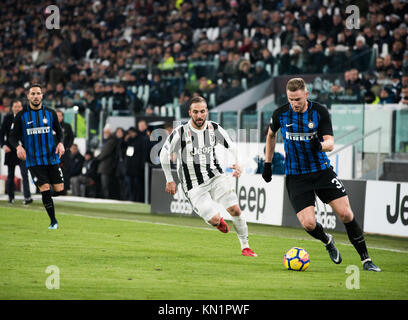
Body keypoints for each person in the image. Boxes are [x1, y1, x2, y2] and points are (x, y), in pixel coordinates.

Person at [262, 78, 381, 272]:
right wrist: (268, 163)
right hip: (296, 175)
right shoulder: (281, 114)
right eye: (291, 99)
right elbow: (271, 135)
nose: (294, 103)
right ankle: (327, 241)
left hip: (321, 172)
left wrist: (320, 145)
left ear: (306, 95)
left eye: (298, 99)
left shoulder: (319, 112)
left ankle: (366, 260)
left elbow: (330, 143)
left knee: (346, 213)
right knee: (309, 224)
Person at [160, 96, 257, 257]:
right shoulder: (180, 133)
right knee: (214, 219)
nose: (199, 116)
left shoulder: (214, 129)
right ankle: (218, 222)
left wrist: (238, 163)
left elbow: (232, 147)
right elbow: (164, 155)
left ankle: (245, 246)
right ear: (190, 112)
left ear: (207, 112)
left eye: (202, 112)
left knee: (235, 209)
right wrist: (169, 179)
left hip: (215, 176)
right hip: (193, 186)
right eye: (196, 112)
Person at [9, 83, 65, 230]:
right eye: (32, 94)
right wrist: (18, 146)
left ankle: (46, 194)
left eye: (38, 93)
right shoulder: (22, 116)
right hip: (34, 160)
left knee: (59, 190)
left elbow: (59, 132)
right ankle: (53, 221)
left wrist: (61, 143)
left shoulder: (51, 113)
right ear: (28, 96)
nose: (35, 96)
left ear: (42, 95)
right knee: (45, 188)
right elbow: (12, 137)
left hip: (51, 157)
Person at [0, 99, 33, 204]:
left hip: (23, 150)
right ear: (12, 108)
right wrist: (3, 145)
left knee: (25, 174)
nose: (17, 108)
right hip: (10, 150)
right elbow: (1, 133)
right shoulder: (8, 118)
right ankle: (11, 197)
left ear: (21, 108)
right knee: (10, 175)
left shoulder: (26, 119)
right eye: (15, 106)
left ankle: (27, 197)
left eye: (19, 106)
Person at [56, 109, 74, 193]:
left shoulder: (67, 126)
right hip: (54, 153)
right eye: (57, 115)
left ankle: (64, 189)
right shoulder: (51, 126)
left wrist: (67, 147)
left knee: (65, 171)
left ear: (63, 117)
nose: (58, 117)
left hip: (65, 153)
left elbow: (71, 138)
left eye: (60, 115)